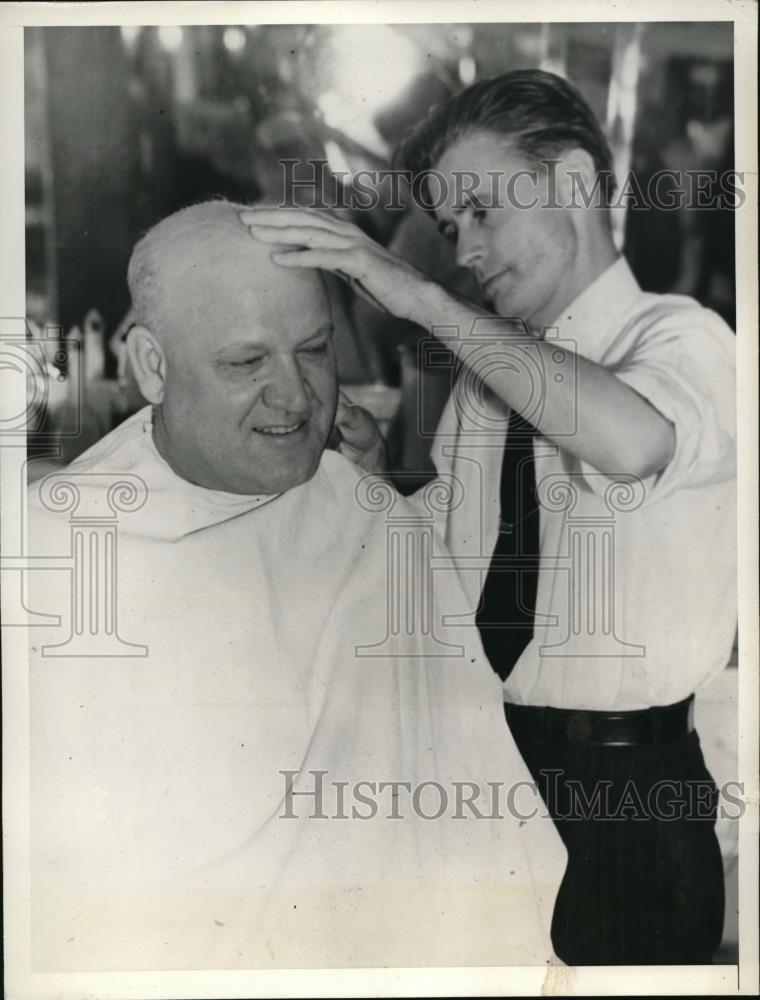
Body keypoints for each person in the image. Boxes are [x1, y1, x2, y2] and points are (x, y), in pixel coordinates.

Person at [240, 69, 737, 965]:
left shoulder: (686, 340)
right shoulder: (487, 385)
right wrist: (365, 476)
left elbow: (633, 443)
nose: (463, 249)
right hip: (490, 777)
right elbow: (453, 560)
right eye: (446, 227)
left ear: (576, 182)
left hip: (629, 806)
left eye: (481, 209)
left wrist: (416, 294)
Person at [26, 200, 564, 972]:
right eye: (246, 363)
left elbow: (485, 848)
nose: (296, 397)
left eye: (313, 351)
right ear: (151, 365)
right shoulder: (54, 555)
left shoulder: (377, 527)